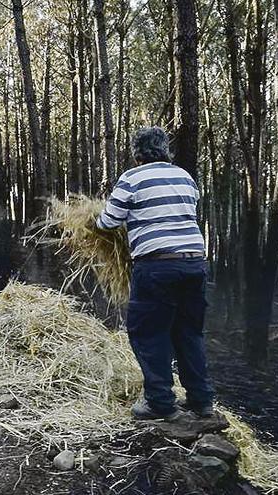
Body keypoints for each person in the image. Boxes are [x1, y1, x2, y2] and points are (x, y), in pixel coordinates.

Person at [96, 126, 215, 420]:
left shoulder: (132, 178)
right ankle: (201, 401)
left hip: (157, 265)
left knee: (149, 332)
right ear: (165, 150)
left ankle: (160, 403)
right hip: (194, 264)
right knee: (188, 332)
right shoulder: (185, 176)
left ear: (138, 153)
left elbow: (108, 222)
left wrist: (97, 219)